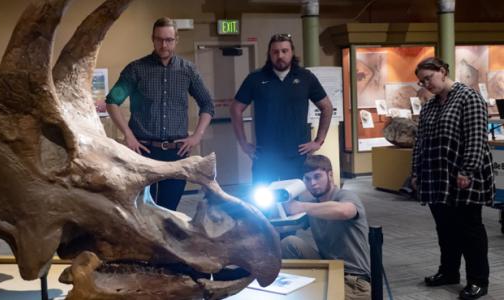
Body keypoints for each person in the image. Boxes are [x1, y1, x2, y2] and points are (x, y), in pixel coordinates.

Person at [106, 17, 214, 211]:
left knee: (168, 210)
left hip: (176, 153)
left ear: (176, 40)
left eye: (169, 40)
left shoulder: (188, 71)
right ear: (153, 39)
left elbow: (207, 104)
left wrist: (197, 136)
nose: (164, 45)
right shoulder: (136, 69)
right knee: (142, 211)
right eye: (160, 39)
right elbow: (112, 101)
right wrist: (128, 136)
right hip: (143, 152)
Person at [412, 57, 494, 300]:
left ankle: (478, 281)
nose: (427, 84)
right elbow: (421, 142)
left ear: (443, 71)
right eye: (422, 81)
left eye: (429, 77)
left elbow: (476, 138)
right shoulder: (429, 106)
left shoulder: (468, 98)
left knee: (470, 231)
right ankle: (448, 272)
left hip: (463, 177)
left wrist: (467, 171)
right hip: (436, 178)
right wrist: (416, 172)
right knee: (445, 229)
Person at [230, 33, 333, 185]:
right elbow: (235, 109)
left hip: (296, 156)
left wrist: (318, 141)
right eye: (275, 52)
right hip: (265, 156)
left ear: (292, 52)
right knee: (262, 203)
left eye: (285, 51)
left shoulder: (306, 77)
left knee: (293, 203)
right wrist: (244, 144)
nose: (280, 55)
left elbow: (327, 107)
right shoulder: (256, 78)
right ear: (269, 54)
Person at [280, 155, 371, 300]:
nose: (313, 183)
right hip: (327, 269)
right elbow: (285, 227)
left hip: (354, 279)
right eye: (308, 179)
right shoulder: (314, 205)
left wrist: (300, 206)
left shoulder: (346, 196)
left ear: (330, 175)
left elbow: (344, 211)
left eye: (317, 177)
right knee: (289, 242)